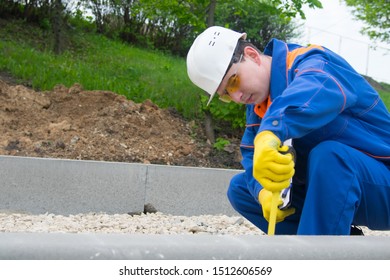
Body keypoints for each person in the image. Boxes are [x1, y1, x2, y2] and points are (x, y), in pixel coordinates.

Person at [186, 26, 390, 235]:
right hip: (346, 192)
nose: (237, 96)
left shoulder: (313, 62)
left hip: (384, 183)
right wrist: (262, 192)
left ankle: (316, 259)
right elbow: (250, 155)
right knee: (241, 189)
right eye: (227, 94)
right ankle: (332, 242)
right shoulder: (259, 107)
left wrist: (272, 131)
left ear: (252, 55)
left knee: (331, 156)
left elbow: (316, 88)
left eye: (234, 81)